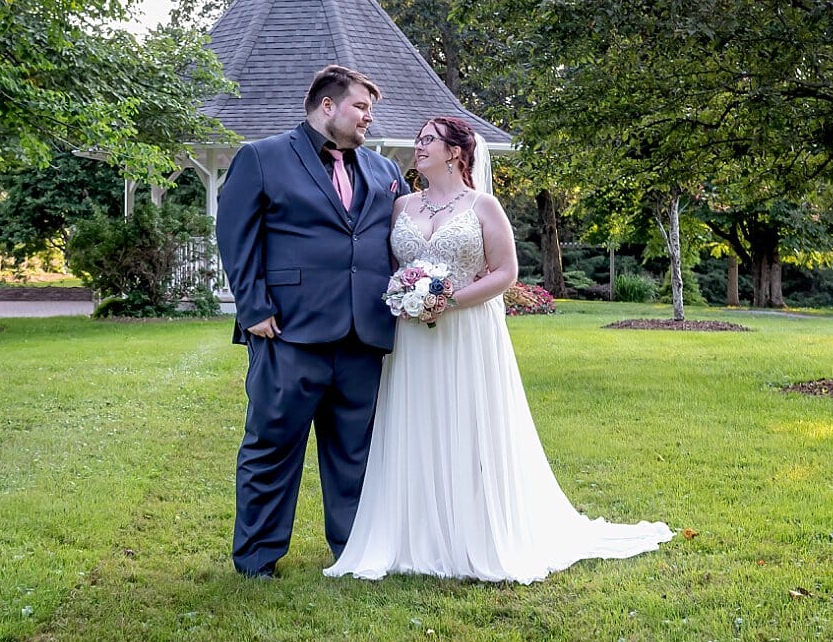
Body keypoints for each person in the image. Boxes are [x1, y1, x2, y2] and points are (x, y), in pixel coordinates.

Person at [325, 116, 673, 583]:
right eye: (419, 140)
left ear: (455, 152)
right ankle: (415, 534)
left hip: (467, 332)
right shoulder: (402, 205)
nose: (418, 146)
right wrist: (409, 296)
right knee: (416, 423)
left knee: (469, 424)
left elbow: (505, 273)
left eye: (428, 140)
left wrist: (447, 302)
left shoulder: (484, 206)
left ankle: (474, 532)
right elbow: (393, 265)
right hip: (411, 339)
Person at [215, 65, 407, 578]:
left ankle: (354, 551)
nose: (368, 117)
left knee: (356, 451)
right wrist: (254, 309)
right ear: (328, 106)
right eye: (360, 107)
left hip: (365, 334)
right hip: (288, 332)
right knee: (272, 445)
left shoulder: (385, 172)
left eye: (370, 110)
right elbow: (235, 238)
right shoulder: (261, 158)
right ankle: (257, 559)